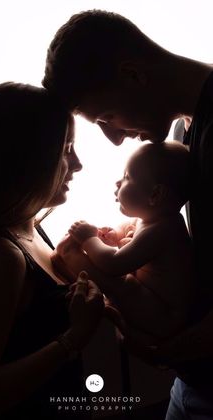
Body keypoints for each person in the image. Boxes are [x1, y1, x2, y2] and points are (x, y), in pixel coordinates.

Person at [42, 9, 213, 419]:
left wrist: (171, 347)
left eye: (106, 119)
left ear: (133, 74)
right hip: (193, 381)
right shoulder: (180, 137)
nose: (115, 138)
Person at [0, 82, 104, 419]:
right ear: (27, 157)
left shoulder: (32, 228)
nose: (77, 164)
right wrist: (74, 338)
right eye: (66, 148)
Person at [52, 140, 194, 343]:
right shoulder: (151, 220)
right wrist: (115, 237)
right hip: (155, 305)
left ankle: (71, 257)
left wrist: (88, 239)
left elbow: (114, 264)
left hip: (163, 317)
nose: (118, 182)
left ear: (155, 194)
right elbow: (129, 234)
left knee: (122, 283)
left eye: (127, 177)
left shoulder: (164, 229)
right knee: (126, 274)